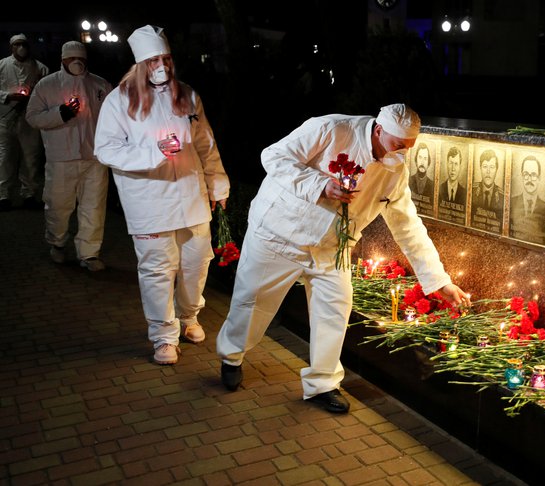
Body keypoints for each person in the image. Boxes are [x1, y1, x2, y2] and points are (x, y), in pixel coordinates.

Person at [216, 103, 471, 414]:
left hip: (333, 246)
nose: (404, 154)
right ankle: (231, 356)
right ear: (379, 130)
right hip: (280, 231)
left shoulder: (395, 169)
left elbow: (407, 225)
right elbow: (273, 156)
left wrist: (437, 280)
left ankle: (322, 383)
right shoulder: (331, 128)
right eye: (398, 145)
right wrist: (321, 185)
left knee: (334, 310)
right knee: (253, 300)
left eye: (409, 147)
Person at [94, 25, 230, 365]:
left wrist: (217, 182)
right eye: (154, 59)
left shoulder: (187, 95)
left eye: (166, 58)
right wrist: (153, 153)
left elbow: (205, 143)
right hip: (149, 200)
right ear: (141, 63)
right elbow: (105, 149)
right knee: (157, 269)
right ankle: (163, 336)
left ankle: (189, 316)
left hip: (190, 195)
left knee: (197, 262)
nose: (162, 65)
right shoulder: (119, 100)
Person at [25, 41, 112, 271]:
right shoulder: (47, 85)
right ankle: (57, 243)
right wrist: (59, 114)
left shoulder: (100, 84)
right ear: (62, 59)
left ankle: (89, 253)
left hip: (94, 159)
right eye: (71, 58)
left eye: (81, 58)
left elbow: (114, 117)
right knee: (58, 205)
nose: (77, 62)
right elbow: (32, 117)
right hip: (61, 157)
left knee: (93, 206)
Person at [0, 33, 49, 211]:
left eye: (24, 44)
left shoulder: (40, 68)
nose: (21, 48)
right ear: (11, 47)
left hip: (29, 120)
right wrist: (7, 96)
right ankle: (3, 195)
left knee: (30, 158)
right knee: (4, 158)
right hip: (5, 119)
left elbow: (47, 92)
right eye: (18, 44)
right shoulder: (2, 65)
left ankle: (29, 193)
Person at [471, 149, 503, 219]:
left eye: (492, 167)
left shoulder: (502, 196)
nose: (488, 172)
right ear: (480, 168)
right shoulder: (472, 190)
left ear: (496, 169)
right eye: (485, 166)